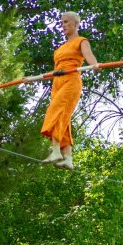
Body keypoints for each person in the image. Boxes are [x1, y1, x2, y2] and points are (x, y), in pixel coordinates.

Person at [39, 11, 99, 170]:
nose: (63, 25)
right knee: (63, 116)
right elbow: (55, 70)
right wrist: (37, 78)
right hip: (57, 82)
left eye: (66, 22)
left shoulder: (81, 41)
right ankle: (68, 157)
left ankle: (56, 150)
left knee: (56, 111)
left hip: (71, 80)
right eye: (62, 23)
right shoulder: (59, 49)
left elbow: (89, 56)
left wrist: (95, 65)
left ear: (76, 24)